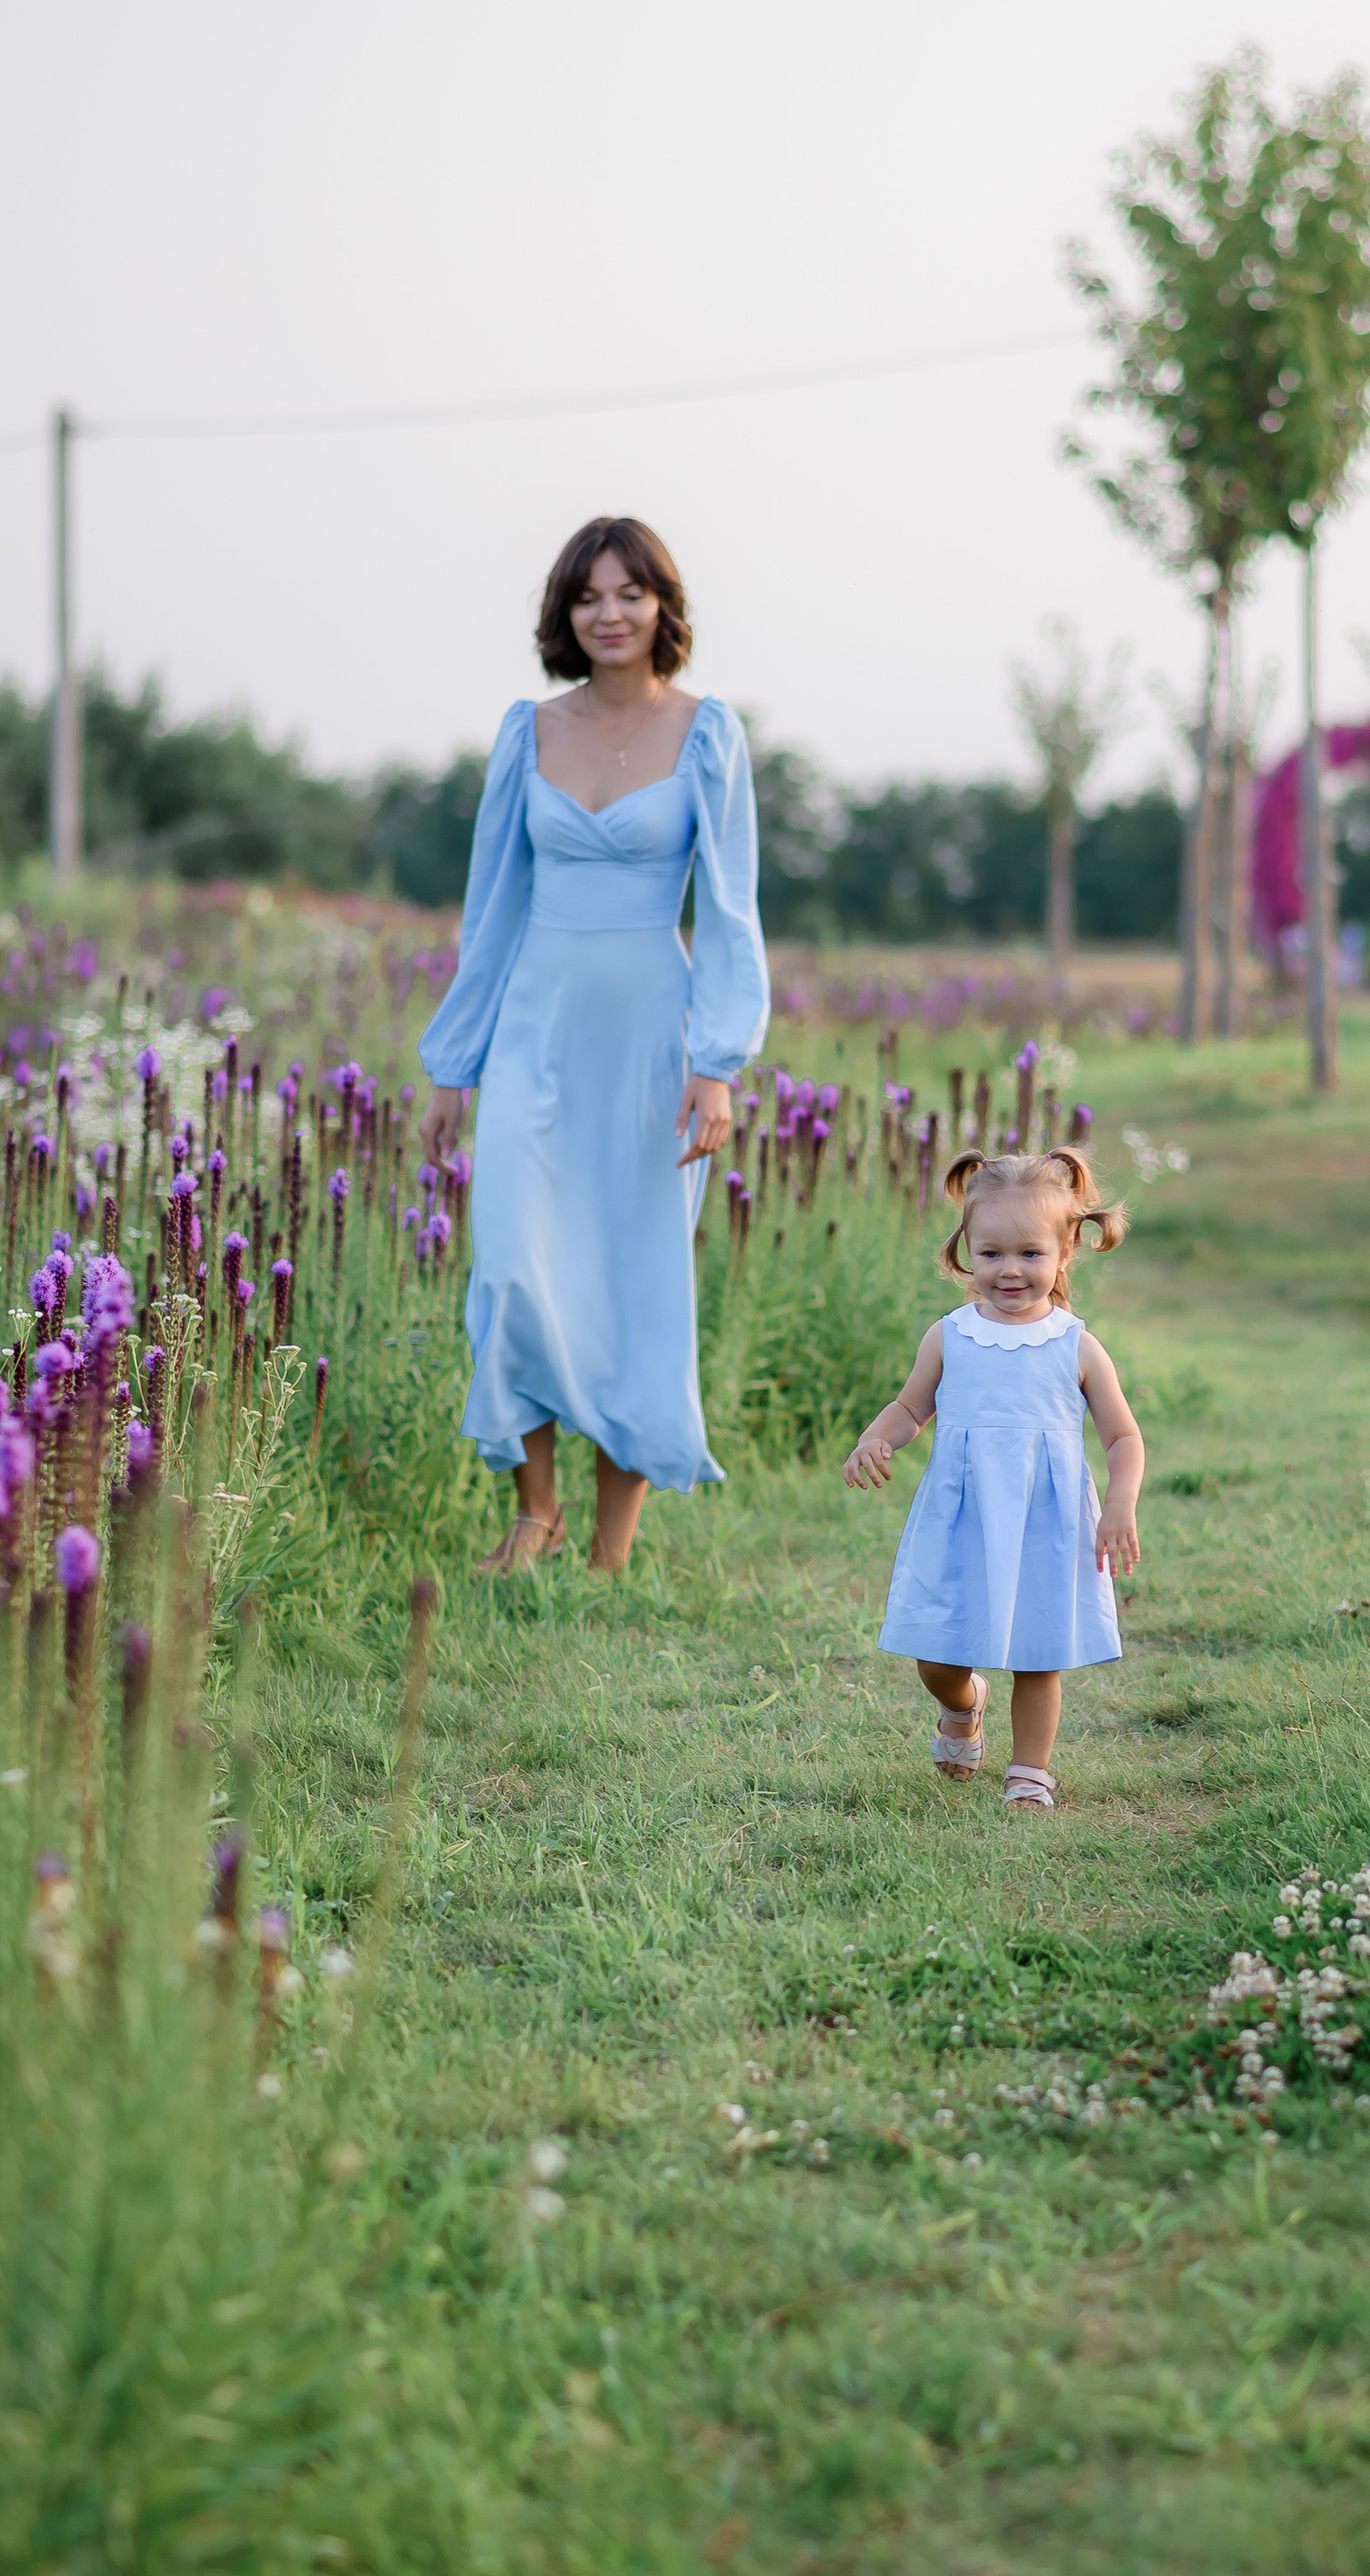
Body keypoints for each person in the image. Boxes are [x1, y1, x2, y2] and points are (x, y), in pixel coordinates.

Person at [415, 515, 767, 1573]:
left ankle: (613, 1549)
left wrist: (717, 1065)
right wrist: (452, 1066)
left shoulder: (708, 734)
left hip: (655, 1042)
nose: (608, 613)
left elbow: (733, 911)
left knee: (629, 1278)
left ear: (664, 606)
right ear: (563, 614)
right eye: (587, 596)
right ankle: (536, 1512)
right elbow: (491, 913)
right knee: (513, 1267)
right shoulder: (527, 731)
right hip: (536, 1034)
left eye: (629, 593)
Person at [844, 1147, 1144, 1809]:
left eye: (1030, 1254)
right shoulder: (949, 1336)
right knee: (938, 1654)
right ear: (965, 1254)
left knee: (1039, 1652)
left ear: (1066, 1251)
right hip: (964, 1518)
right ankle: (964, 1703)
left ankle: (1030, 1771)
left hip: (1048, 1521)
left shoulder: (1076, 1346)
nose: (1010, 1270)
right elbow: (909, 1407)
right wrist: (876, 1438)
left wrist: (1119, 1502)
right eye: (992, 1254)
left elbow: (1122, 1435)